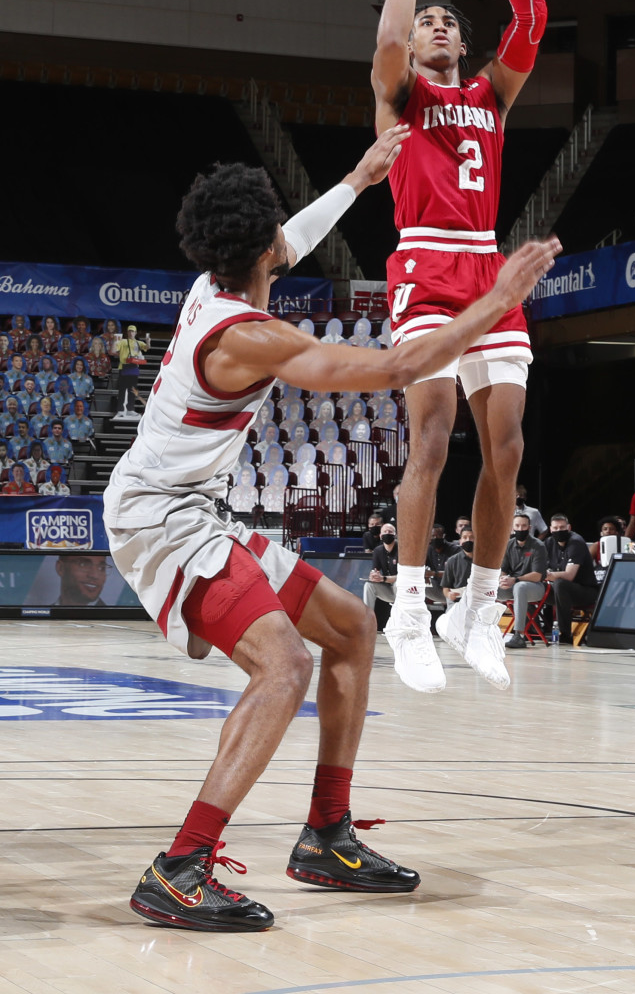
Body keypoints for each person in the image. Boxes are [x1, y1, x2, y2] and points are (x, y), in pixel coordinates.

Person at [103, 126, 560, 931]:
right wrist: (493, 303)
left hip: (194, 508)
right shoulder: (247, 335)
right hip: (160, 519)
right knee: (282, 667)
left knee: (349, 629)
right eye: (274, 244)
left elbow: (295, 235)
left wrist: (357, 178)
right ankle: (181, 866)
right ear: (260, 255)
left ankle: (324, 836)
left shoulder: (219, 282)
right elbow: (391, 370)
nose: (284, 249)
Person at [372, 0, 550, 695]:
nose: (438, 25)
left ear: (463, 42)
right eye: (428, 21)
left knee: (506, 449)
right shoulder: (402, 95)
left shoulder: (491, 97)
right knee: (435, 438)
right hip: (424, 264)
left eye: (448, 19)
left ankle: (477, 609)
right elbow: (385, 44)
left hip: (486, 269)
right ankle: (409, 611)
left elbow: (536, 13)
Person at [545, 513, 597, 644]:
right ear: (550, 529)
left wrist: (547, 575)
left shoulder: (576, 542)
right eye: (555, 528)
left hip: (585, 591)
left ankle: (565, 634)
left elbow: (569, 575)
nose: (559, 531)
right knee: (528, 586)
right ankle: (528, 632)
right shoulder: (549, 542)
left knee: (560, 584)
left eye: (562, 527)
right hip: (560, 591)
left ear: (569, 527)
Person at [499, 513, 547, 649]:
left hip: (535, 587)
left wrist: (515, 579)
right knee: (488, 588)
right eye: (517, 526)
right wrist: (502, 579)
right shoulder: (508, 545)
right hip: (513, 585)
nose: (520, 529)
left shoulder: (538, 546)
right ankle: (481, 632)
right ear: (512, 528)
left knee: (520, 587)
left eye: (524, 526)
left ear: (530, 527)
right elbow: (503, 569)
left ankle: (519, 636)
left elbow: (538, 575)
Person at [113, 325, 149, 420]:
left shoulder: (138, 343)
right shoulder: (123, 341)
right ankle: (120, 409)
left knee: (132, 390)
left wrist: (148, 340)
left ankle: (130, 409)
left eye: (132, 331)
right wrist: (115, 340)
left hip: (133, 368)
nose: (131, 333)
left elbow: (147, 347)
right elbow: (115, 349)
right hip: (124, 367)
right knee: (122, 390)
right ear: (127, 332)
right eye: (129, 331)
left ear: (135, 333)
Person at [363, 521, 398, 611]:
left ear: (395, 535)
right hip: (387, 588)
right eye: (385, 532)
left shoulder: (401, 549)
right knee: (368, 585)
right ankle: (368, 617)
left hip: (402, 588)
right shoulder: (378, 550)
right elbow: (375, 570)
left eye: (390, 532)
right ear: (380, 536)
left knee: (398, 583)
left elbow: (404, 576)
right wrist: (374, 576)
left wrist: (384, 579)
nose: (387, 533)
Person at [424, 523, 458, 606]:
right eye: (432, 536)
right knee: (419, 582)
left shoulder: (455, 550)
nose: (435, 538)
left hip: (453, 588)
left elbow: (456, 574)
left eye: (438, 535)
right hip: (438, 588)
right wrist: (424, 575)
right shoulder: (428, 550)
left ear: (443, 536)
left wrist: (433, 573)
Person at [442, 526, 475, 602]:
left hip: (477, 599)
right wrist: (449, 594)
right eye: (465, 537)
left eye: (471, 537)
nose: (468, 540)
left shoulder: (484, 560)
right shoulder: (452, 560)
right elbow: (445, 588)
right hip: (458, 600)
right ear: (460, 541)